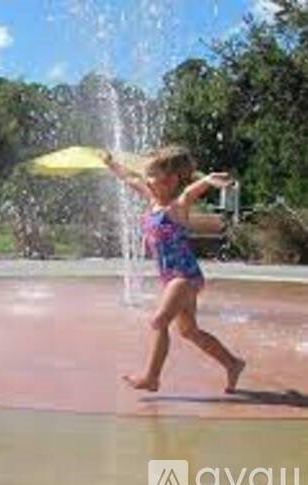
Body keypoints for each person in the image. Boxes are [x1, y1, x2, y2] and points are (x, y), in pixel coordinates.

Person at [103, 146, 245, 393]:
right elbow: (131, 179)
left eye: (153, 175)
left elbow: (191, 191)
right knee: (189, 331)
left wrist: (209, 180)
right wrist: (111, 165)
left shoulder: (177, 206)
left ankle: (152, 377)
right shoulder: (151, 200)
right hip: (172, 279)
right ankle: (233, 363)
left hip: (184, 277)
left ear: (170, 180)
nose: (147, 179)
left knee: (159, 321)